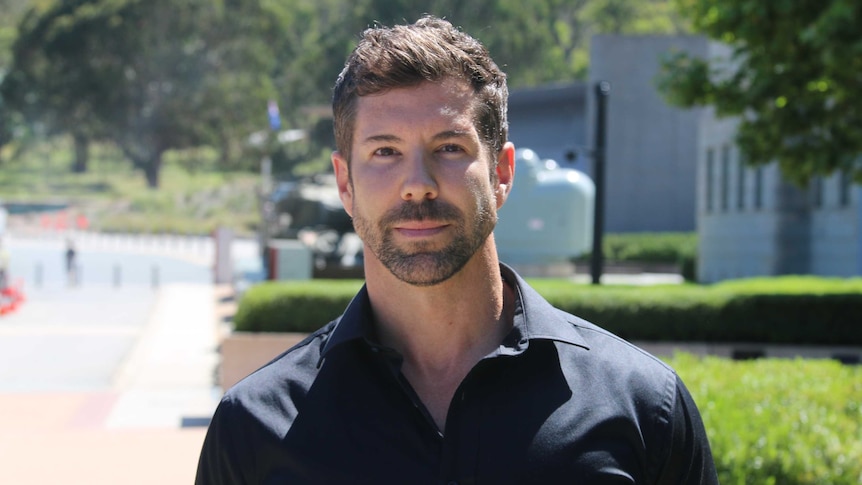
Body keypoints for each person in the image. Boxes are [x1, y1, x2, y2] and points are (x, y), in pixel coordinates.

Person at [196, 16, 718, 484]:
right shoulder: (253, 429)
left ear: (502, 173)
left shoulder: (646, 408)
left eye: (449, 148)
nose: (417, 185)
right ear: (345, 183)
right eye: (384, 152)